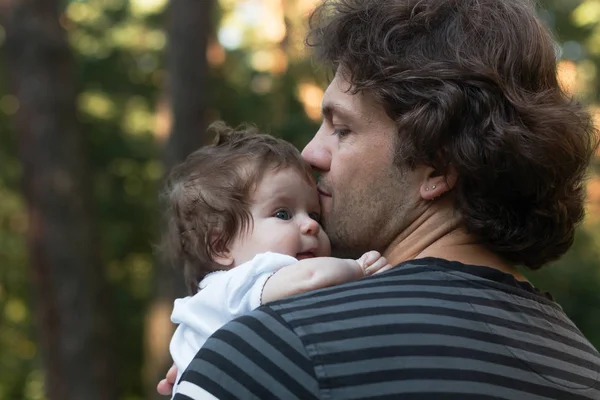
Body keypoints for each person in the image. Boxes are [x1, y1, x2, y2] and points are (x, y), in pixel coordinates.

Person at [159, 0, 600, 398]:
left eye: (341, 128)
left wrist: (227, 367)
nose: (311, 154)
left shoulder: (284, 349)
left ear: (438, 169)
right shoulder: (583, 366)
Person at [161, 122, 392, 395]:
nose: (311, 225)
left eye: (314, 214)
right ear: (221, 245)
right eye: (283, 214)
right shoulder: (244, 281)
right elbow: (310, 277)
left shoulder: (217, 299)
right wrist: (359, 268)